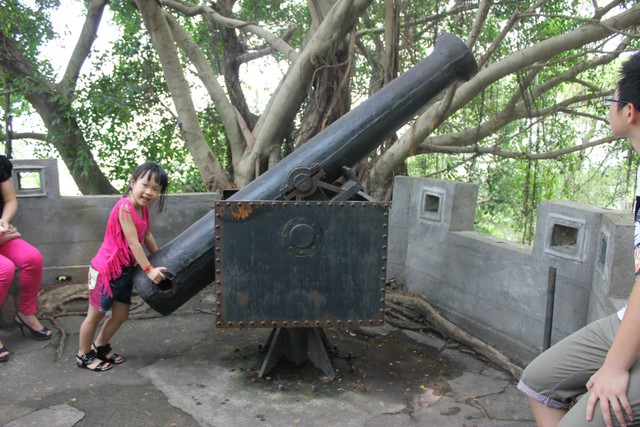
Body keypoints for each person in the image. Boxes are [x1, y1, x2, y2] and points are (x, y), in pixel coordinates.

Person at [518, 52, 640, 427]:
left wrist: (614, 367)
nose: (609, 109)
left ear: (629, 111)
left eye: (611, 101)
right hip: (629, 320)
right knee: (539, 382)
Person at [76, 162, 168, 372]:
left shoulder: (142, 209)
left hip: (124, 270)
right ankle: (83, 354)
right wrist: (149, 269)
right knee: (96, 314)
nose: (148, 192)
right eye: (145, 185)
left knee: (120, 315)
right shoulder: (125, 207)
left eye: (155, 189)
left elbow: (146, 235)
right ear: (132, 182)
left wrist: (159, 258)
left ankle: (100, 345)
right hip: (106, 271)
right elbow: (134, 242)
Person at [0, 155, 52, 363]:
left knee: (32, 258)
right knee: (4, 269)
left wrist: (3, 221)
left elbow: (10, 200)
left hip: (2, 235)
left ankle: (26, 314)